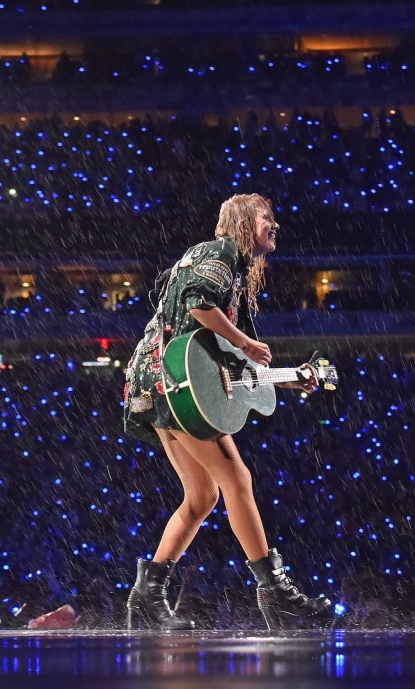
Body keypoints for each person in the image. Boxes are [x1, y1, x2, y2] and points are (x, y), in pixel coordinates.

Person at [122, 193, 334, 631]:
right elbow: (200, 306)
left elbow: (238, 365)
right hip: (170, 381)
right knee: (237, 479)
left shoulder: (235, 273)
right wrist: (242, 341)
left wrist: (290, 378)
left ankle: (148, 592)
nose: (274, 224)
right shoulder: (219, 252)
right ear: (241, 221)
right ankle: (275, 592)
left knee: (203, 498)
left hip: (161, 383)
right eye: (265, 217)